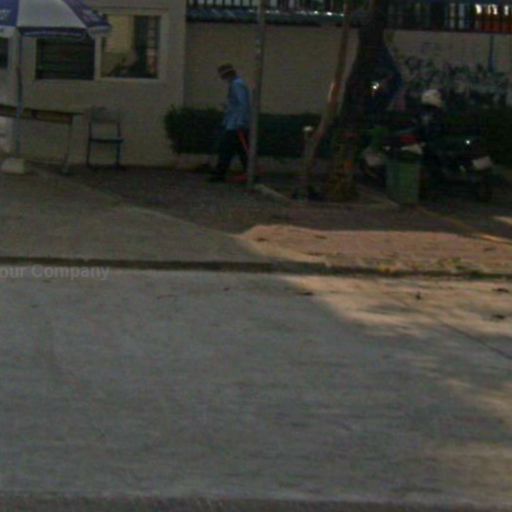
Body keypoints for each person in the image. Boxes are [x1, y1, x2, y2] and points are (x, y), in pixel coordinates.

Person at [209, 64, 251, 182]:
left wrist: (240, 121)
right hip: (235, 123)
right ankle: (250, 172)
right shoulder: (237, 84)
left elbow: (243, 104)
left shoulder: (237, 85)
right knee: (241, 150)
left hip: (235, 125)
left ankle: (220, 174)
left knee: (226, 149)